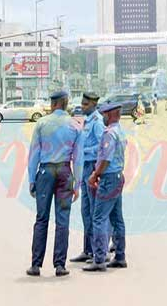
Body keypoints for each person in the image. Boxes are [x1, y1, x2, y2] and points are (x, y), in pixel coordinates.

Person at [26, 90, 82, 277]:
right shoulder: (75, 126)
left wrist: (32, 180)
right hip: (65, 172)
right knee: (62, 220)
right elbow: (78, 158)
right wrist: (77, 184)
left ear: (53, 104)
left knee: (42, 219)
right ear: (66, 103)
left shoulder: (42, 124)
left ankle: (36, 265)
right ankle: (60, 265)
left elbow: (34, 154)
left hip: (45, 172)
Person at [83, 103, 128, 272]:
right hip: (117, 177)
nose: (103, 117)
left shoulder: (109, 134)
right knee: (117, 219)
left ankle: (99, 258)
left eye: (104, 114)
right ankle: (120, 256)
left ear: (110, 115)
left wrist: (95, 174)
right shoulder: (121, 131)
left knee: (99, 218)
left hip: (109, 178)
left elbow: (106, 159)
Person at [69, 92, 105, 264]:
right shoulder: (84, 121)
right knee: (85, 211)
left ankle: (97, 251)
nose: (82, 107)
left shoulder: (97, 122)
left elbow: (101, 146)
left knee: (93, 210)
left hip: (91, 167)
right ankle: (87, 249)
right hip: (84, 167)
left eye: (85, 104)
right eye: (82, 104)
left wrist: (84, 152)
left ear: (93, 105)